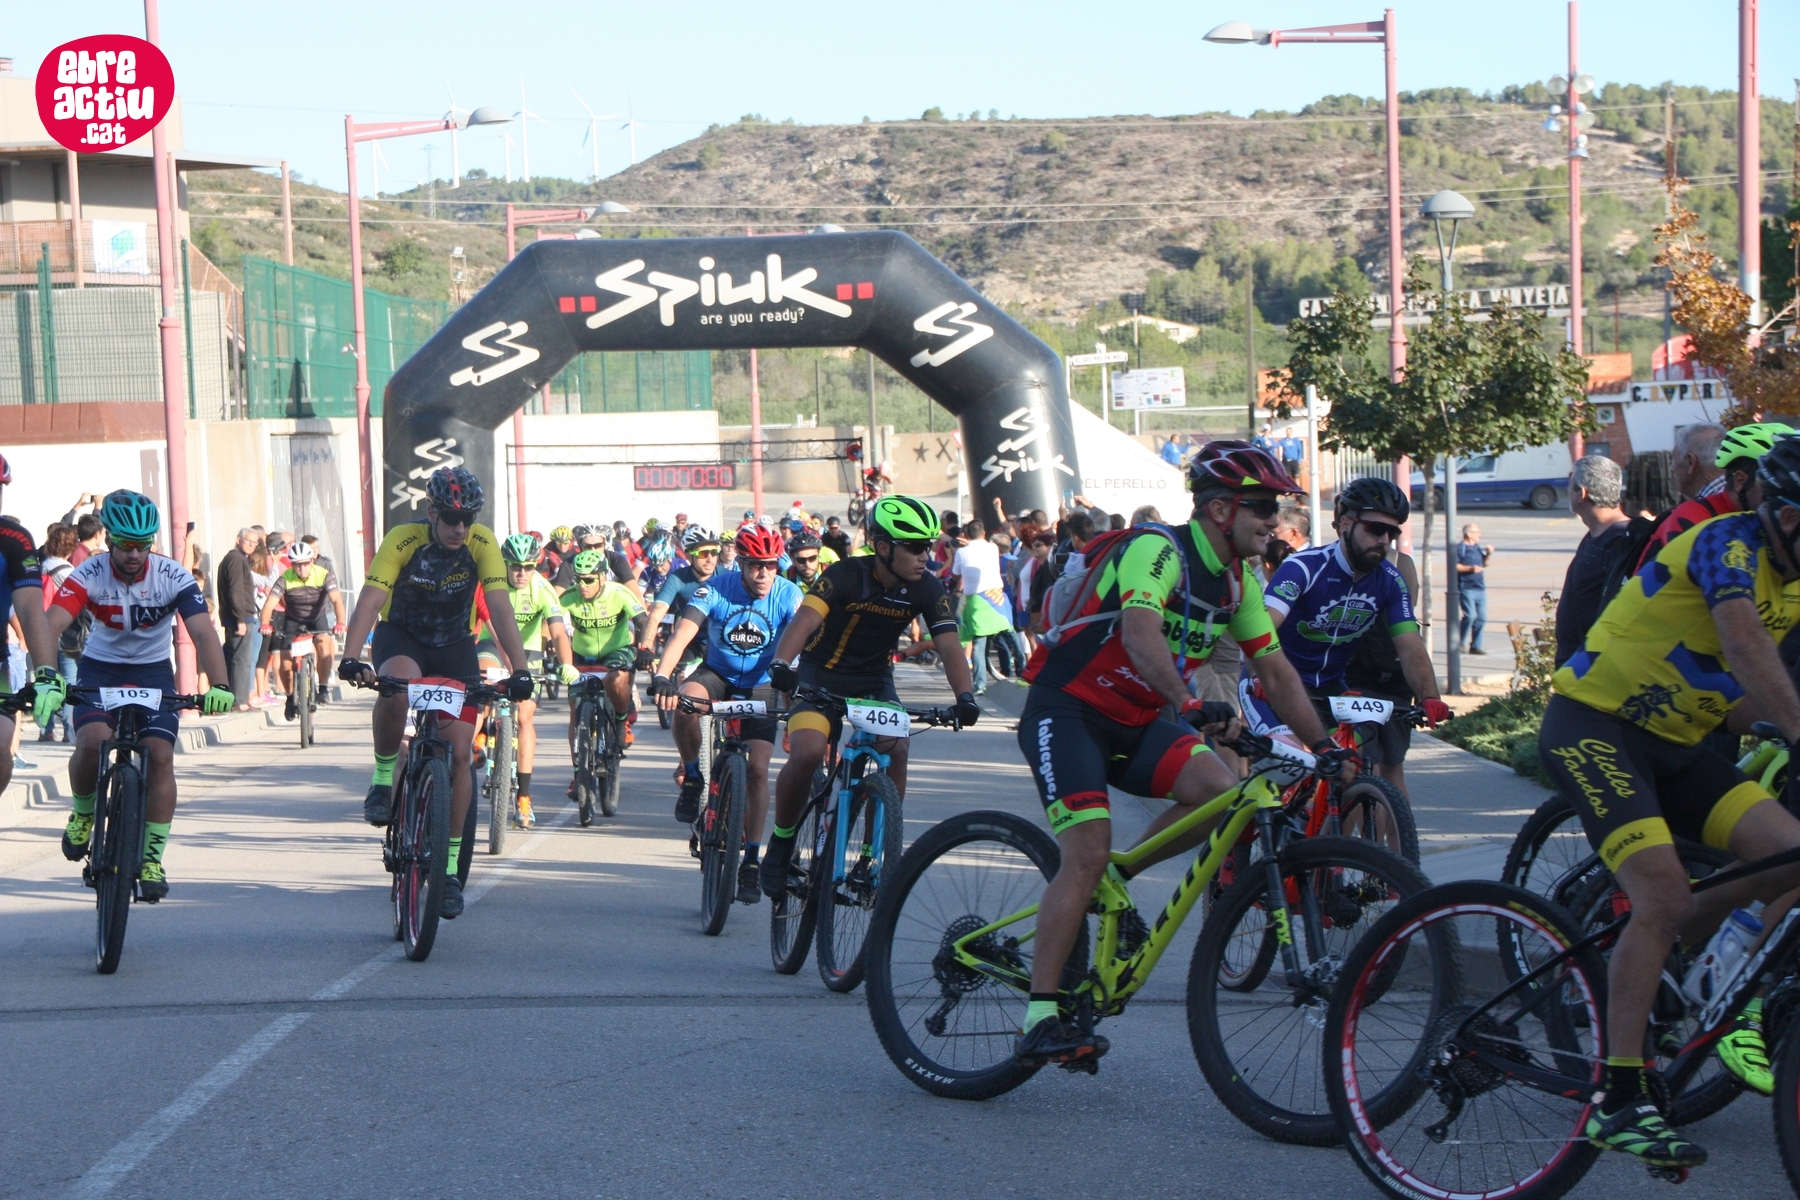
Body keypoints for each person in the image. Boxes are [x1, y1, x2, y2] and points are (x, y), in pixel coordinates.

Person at [1010, 442, 1356, 1067]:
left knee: (1222, 793)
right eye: (1261, 506)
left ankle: (1114, 881)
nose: (1273, 520)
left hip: (1137, 721)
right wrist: (1190, 702)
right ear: (1220, 509)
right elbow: (1140, 633)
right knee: (1085, 851)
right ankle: (1039, 1016)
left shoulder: (1238, 582)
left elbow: (1275, 670)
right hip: (1069, 710)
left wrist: (1325, 746)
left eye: (1275, 508)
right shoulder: (1158, 550)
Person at [1534, 432, 1800, 1171]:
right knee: (1662, 892)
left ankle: (1678, 967)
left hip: (1677, 744)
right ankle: (1618, 1098)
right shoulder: (1727, 543)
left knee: (1791, 856)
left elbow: (1749, 690)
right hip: (1595, 726)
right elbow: (1745, 649)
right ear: (1785, 516)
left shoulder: (1795, 579)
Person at [758, 496, 979, 898]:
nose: (924, 556)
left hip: (873, 681)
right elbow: (805, 619)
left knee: (897, 748)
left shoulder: (927, 587)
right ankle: (781, 843)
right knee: (808, 753)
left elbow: (949, 645)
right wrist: (782, 664)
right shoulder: (845, 574)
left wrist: (965, 696)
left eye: (928, 546)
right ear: (882, 547)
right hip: (819, 675)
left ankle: (870, 856)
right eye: (914, 547)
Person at [338, 466, 533, 920]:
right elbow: (371, 598)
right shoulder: (403, 540)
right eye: (450, 518)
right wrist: (350, 656)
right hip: (402, 638)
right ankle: (383, 779)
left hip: (453, 646)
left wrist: (520, 668)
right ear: (431, 512)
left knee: (461, 753)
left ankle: (447, 871)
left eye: (467, 519)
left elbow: (499, 606)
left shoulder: (482, 544)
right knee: (396, 690)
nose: (459, 528)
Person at [48, 491, 233, 901]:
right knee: (92, 741)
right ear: (110, 539)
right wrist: (47, 675)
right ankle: (83, 813)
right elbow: (52, 623)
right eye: (126, 545)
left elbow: (202, 631)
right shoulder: (89, 572)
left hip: (152, 673)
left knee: (161, 755)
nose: (134, 554)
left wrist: (220, 684)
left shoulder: (173, 576)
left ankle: (151, 857)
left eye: (143, 545)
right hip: (100, 668)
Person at [1252, 477, 1449, 785]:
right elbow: (1263, 629)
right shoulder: (1303, 567)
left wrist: (1429, 696)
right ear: (1345, 524)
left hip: (1331, 688)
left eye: (1392, 532)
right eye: (1375, 529)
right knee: (1288, 767)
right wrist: (1260, 674)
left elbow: (1410, 646)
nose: (1383, 539)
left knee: (1351, 772)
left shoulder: (1390, 580)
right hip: (1274, 683)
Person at [653, 525, 803, 900]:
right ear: (741, 563)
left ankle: (751, 859)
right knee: (686, 703)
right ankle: (693, 777)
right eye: (755, 566)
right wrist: (662, 676)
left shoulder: (788, 594)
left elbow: (807, 644)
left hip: (762, 683)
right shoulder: (716, 588)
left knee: (758, 771)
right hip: (717, 674)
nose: (763, 574)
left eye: (770, 565)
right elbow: (683, 633)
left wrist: (800, 689)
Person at [500, 533, 578, 828]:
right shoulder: (492, 584)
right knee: (481, 688)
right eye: (515, 566)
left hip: (528, 652)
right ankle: (480, 737)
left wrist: (567, 664)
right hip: (493, 646)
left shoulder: (543, 589)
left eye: (528, 567)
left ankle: (523, 797)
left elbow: (557, 633)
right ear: (505, 565)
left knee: (523, 717)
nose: (522, 573)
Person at [1637, 423, 1791, 569]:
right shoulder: (1694, 520)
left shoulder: (1764, 520)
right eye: (1770, 485)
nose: (1784, 496)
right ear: (1740, 481)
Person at [560, 547, 650, 771]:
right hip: (582, 654)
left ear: (602, 577)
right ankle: (578, 772)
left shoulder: (619, 593)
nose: (582, 585)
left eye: (589, 580)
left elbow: (643, 621)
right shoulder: (569, 597)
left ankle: (620, 721)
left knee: (615, 680)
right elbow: (549, 625)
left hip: (617, 650)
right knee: (575, 710)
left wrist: (646, 648)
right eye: (578, 579)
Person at [1554, 455, 1632, 667]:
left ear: (1582, 493)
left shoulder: (1626, 542)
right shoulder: (1595, 535)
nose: (1567, 490)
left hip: (1599, 670)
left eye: (1570, 484)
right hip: (1575, 667)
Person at [258, 540, 346, 721]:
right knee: (285, 663)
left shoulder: (324, 575)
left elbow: (337, 600)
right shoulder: (285, 578)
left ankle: (323, 688)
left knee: (324, 644)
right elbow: (269, 605)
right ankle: (290, 698)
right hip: (293, 620)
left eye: (305, 564)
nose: (302, 568)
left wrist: (340, 623)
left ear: (312, 561)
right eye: (297, 565)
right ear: (292, 565)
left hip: (317, 618)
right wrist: (265, 624)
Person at [953, 518, 1011, 694]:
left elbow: (956, 573)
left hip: (976, 600)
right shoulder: (993, 548)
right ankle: (1022, 669)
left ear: (966, 534)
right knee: (1010, 632)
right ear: (984, 533)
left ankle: (979, 684)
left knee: (979, 642)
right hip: (996, 595)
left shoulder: (962, 552)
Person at [217, 528, 259, 710]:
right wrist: (240, 619)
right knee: (241, 660)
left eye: (255, 542)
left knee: (235, 658)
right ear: (238, 540)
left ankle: (235, 699)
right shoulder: (235, 559)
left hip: (238, 616)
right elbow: (236, 590)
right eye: (248, 540)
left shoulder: (237, 559)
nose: (251, 544)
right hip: (240, 618)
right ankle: (239, 701)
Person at [1455, 523, 1493, 654]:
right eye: (1477, 532)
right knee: (1470, 616)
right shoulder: (1461, 548)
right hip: (1466, 587)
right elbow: (1454, 565)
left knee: (1481, 618)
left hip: (1480, 588)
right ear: (1469, 534)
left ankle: (1475, 646)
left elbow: (1484, 564)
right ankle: (1459, 642)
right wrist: (1470, 568)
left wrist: (1488, 554)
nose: (1480, 535)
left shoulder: (1476, 547)